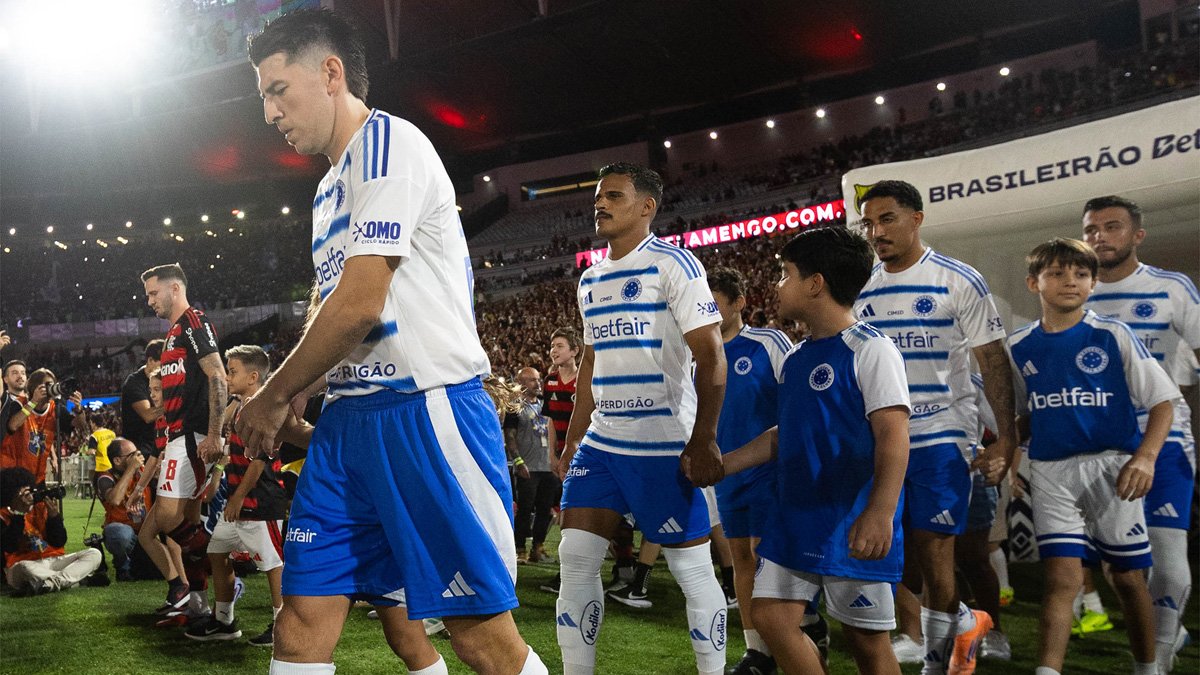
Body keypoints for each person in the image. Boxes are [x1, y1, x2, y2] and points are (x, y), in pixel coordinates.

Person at [238, 9, 546, 674]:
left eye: (275, 89)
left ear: (330, 73)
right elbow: (334, 315)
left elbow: (359, 303)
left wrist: (273, 394)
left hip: (424, 408)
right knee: (301, 623)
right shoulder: (327, 191)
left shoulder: (388, 145)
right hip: (349, 424)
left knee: (478, 635)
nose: (268, 112)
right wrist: (299, 392)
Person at [554, 162, 729, 675]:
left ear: (647, 207)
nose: (600, 205)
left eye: (613, 196)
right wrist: (572, 442)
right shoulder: (591, 278)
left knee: (693, 569)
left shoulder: (675, 265)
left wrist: (704, 439)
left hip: (662, 444)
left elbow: (712, 355)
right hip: (602, 446)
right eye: (597, 198)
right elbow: (590, 363)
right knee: (575, 559)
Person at [723, 225, 909, 675]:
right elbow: (784, 434)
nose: (778, 284)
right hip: (796, 515)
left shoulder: (872, 349)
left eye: (785, 274)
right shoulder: (797, 356)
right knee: (769, 616)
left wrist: (880, 511)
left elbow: (893, 435)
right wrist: (723, 465)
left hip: (848, 517)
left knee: (867, 644)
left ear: (815, 283)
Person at [854, 180, 1015, 674]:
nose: (876, 231)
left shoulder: (957, 278)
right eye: (869, 223)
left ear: (917, 218)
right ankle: (963, 621)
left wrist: (1006, 438)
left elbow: (992, 359)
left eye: (887, 219)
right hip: (881, 441)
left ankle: (938, 662)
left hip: (943, 435)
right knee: (895, 559)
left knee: (937, 553)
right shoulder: (861, 286)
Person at [1008, 237, 1177, 675]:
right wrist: (1008, 456)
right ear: (1033, 282)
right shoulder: (1019, 346)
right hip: (1050, 471)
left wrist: (1146, 457)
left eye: (1081, 274)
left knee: (1125, 578)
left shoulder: (1112, 334)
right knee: (1061, 580)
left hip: (1113, 466)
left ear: (1094, 283)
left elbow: (1163, 402)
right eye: (1058, 273)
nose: (1071, 281)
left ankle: (1148, 668)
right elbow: (1026, 414)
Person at [1082, 195, 1199, 671]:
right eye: (1091, 229)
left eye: (1112, 227)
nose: (1100, 237)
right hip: (1098, 449)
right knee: (1125, 569)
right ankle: (1164, 634)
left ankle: (1159, 656)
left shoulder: (1172, 288)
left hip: (1164, 444)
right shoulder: (1077, 293)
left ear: (1137, 235)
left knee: (1169, 569)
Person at [704, 265, 793, 675]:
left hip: (767, 469)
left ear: (740, 303)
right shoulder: (699, 357)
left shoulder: (768, 342)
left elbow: (797, 399)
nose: (707, 310)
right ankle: (757, 650)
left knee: (763, 555)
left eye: (715, 303)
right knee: (739, 557)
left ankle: (795, 632)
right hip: (724, 475)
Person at [137, 263, 227, 617]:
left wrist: (216, 432)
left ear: (174, 289)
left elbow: (217, 375)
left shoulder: (193, 322)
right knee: (187, 520)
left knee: (167, 517)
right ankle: (200, 604)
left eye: (153, 293)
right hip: (182, 436)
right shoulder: (175, 332)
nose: (149, 301)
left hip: (190, 436)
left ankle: (225, 565)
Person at [187, 345, 286, 647]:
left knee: (273, 564)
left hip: (261, 501)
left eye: (233, 372)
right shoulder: (241, 405)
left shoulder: (263, 408)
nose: (228, 377)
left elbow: (260, 461)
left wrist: (238, 497)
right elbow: (231, 453)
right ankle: (224, 620)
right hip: (239, 501)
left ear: (253, 376)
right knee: (217, 552)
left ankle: (283, 625)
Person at [1, 467, 102, 594]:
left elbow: (58, 542)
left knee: (94, 553)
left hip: (51, 560)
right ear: (11, 495)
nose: (30, 496)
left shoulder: (40, 508)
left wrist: (54, 517)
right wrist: (19, 512)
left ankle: (49, 584)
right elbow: (9, 546)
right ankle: (77, 580)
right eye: (24, 493)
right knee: (25, 568)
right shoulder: (3, 515)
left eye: (30, 491)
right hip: (21, 565)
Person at [506, 366, 558, 565]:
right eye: (532, 380)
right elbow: (510, 436)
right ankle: (519, 549)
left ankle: (538, 548)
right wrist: (518, 461)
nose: (538, 383)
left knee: (545, 510)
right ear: (521, 384)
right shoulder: (515, 407)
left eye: (539, 379)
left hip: (548, 466)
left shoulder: (546, 405)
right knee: (525, 510)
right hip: (528, 466)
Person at [1, 368, 81, 486]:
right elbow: (12, 426)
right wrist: (33, 401)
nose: (50, 389)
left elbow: (78, 425)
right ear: (35, 387)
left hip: (38, 475)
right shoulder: (20, 403)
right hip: (16, 473)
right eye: (47, 385)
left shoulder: (55, 408)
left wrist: (79, 410)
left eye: (52, 385)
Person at [96, 437, 153, 581]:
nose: (138, 457)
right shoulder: (105, 477)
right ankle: (123, 567)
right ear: (117, 461)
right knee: (116, 532)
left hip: (147, 533)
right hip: (125, 533)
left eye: (137, 452)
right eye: (132, 455)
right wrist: (131, 469)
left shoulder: (144, 471)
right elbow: (115, 499)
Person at [121, 339, 166, 459]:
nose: (167, 368)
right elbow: (148, 416)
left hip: (156, 446)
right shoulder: (134, 383)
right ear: (151, 360)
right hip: (139, 451)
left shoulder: (163, 379)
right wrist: (175, 403)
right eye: (164, 364)